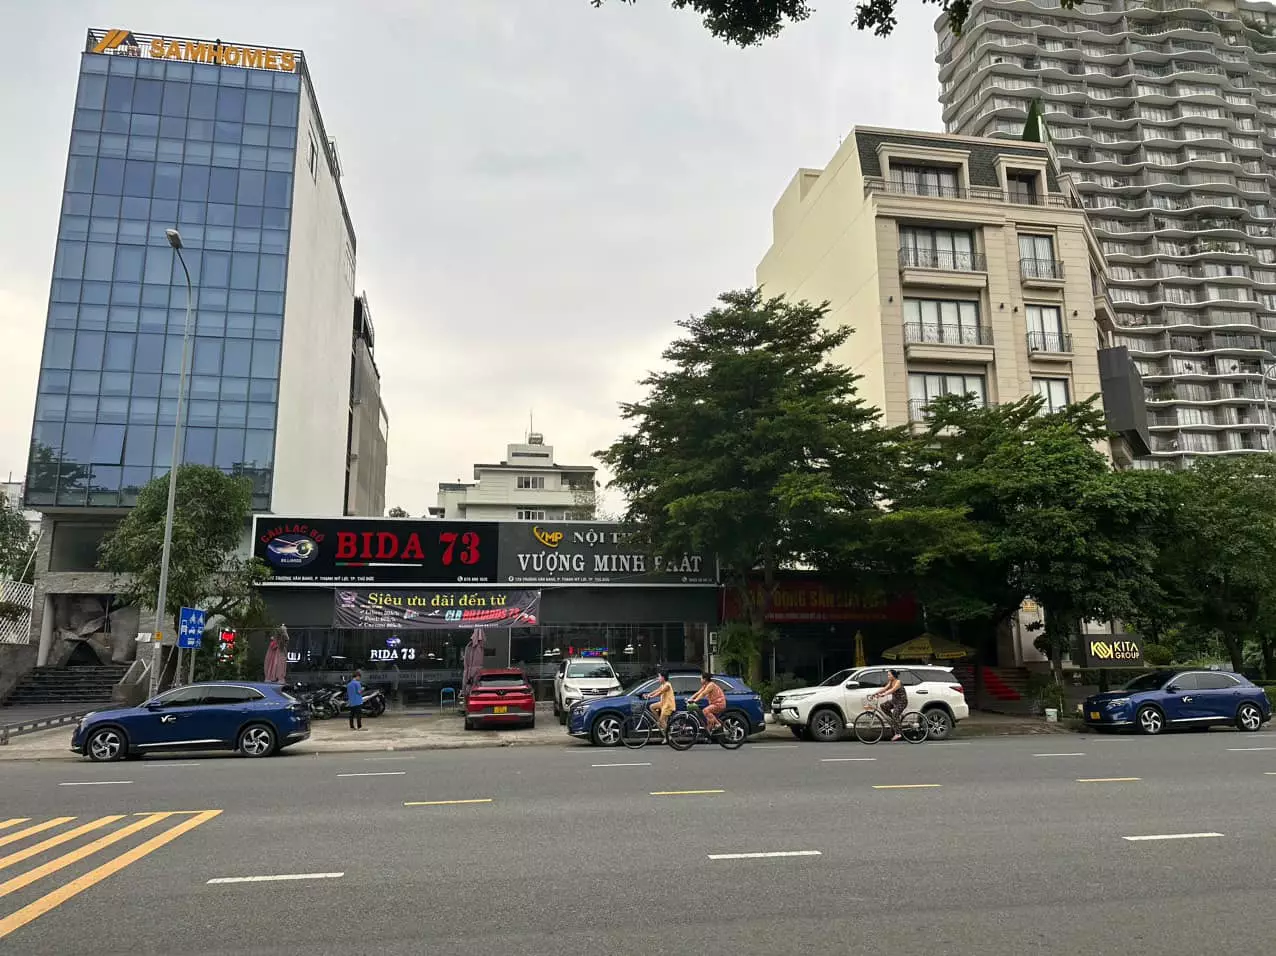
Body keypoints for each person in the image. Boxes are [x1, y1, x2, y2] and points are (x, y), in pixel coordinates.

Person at [870, 669, 908, 742]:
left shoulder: (898, 682)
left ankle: (898, 733)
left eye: (889, 675)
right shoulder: (891, 682)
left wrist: (884, 694)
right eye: (888, 675)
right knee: (883, 706)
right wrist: (874, 693)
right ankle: (895, 720)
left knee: (895, 714)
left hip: (902, 702)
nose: (888, 676)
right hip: (894, 701)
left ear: (893, 675)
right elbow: (884, 688)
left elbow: (892, 690)